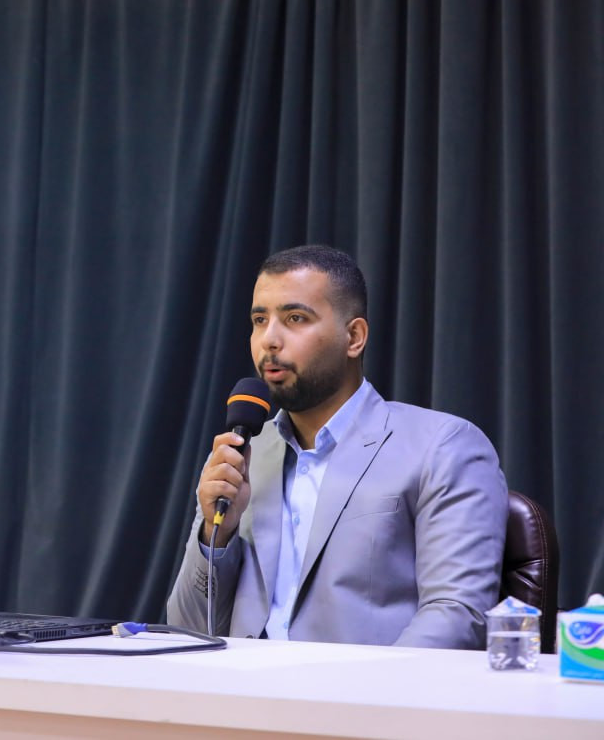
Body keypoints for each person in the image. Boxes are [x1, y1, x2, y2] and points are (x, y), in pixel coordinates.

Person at [166, 245, 507, 648]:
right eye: (259, 320)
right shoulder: (243, 457)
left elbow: (458, 614)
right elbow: (188, 627)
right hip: (240, 685)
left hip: (367, 685)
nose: (269, 340)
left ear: (354, 337)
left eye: (295, 318)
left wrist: (366, 689)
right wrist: (215, 534)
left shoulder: (442, 447)